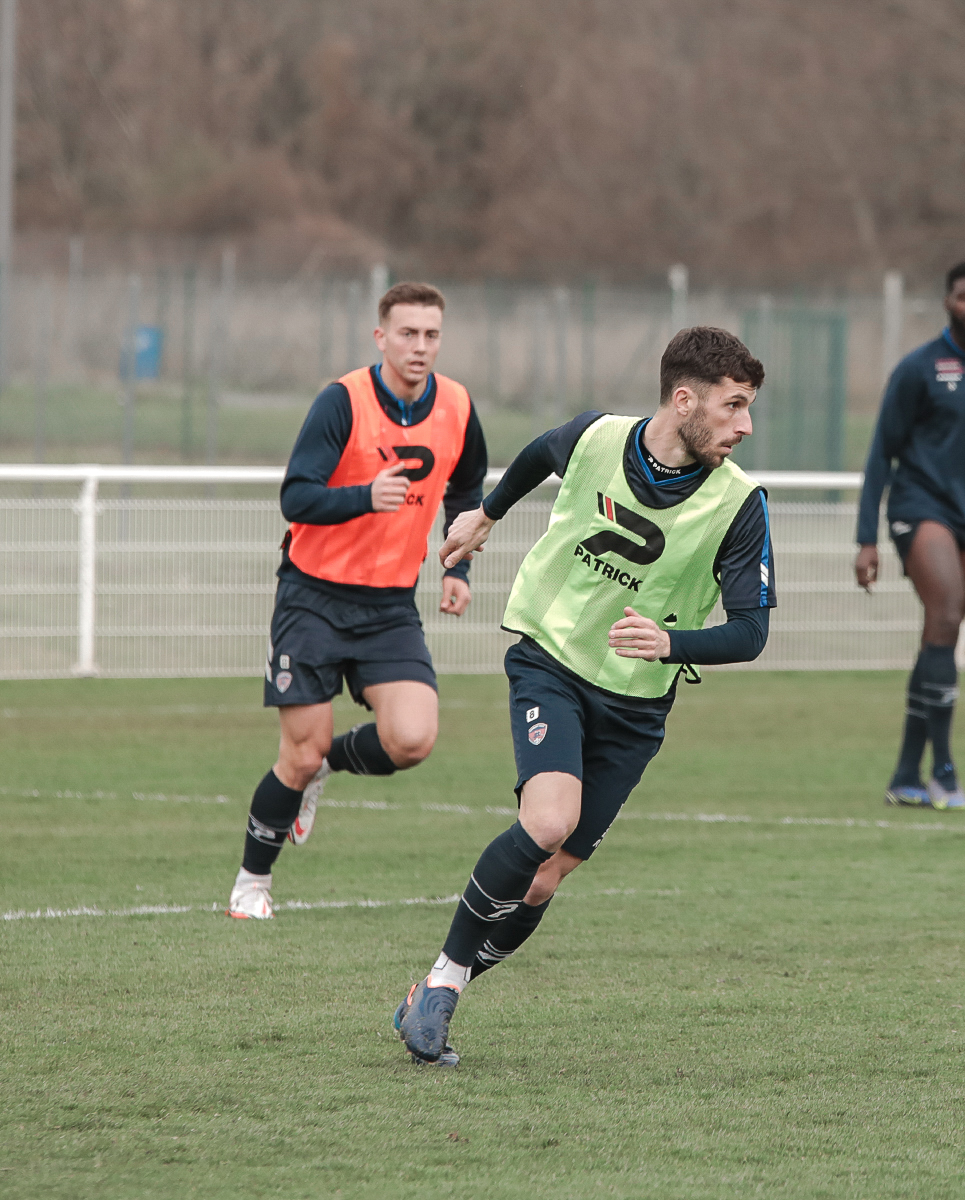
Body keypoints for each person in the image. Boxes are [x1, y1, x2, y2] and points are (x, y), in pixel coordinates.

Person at [394, 326, 774, 1065]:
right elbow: (539, 452)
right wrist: (486, 515)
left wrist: (673, 643)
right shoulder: (598, 438)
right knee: (546, 821)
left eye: (749, 408)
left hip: (636, 705)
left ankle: (435, 992)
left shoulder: (739, 504)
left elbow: (752, 631)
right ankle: (443, 984)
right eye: (733, 407)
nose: (745, 425)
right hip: (554, 660)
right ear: (684, 399)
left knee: (541, 882)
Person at [226, 282, 488, 919]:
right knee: (298, 751)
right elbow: (297, 496)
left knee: (413, 739)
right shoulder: (341, 401)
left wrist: (458, 565)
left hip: (390, 608)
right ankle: (251, 884)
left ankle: (325, 769)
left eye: (431, 335)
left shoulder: (456, 404)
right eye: (407, 334)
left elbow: (467, 482)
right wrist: (362, 498)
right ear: (381, 337)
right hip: (312, 599)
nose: (419, 347)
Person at [854, 261, 965, 811]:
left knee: (941, 631)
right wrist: (866, 537)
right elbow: (880, 452)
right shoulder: (919, 369)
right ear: (948, 303)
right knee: (949, 613)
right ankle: (946, 767)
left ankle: (908, 773)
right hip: (918, 507)